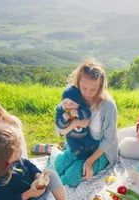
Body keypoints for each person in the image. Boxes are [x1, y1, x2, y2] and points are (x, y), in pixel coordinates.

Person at [34, 59, 118, 187]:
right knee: (58, 166)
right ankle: (53, 149)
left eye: (93, 89)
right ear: (78, 82)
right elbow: (59, 130)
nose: (88, 94)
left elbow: (109, 139)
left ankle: (53, 151)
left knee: (71, 176)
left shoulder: (107, 105)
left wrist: (89, 162)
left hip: (100, 151)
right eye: (84, 88)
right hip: (78, 146)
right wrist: (74, 124)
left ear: (101, 87)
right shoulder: (72, 98)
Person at [54, 85, 99, 160]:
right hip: (72, 137)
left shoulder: (81, 108)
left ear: (78, 104)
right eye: (65, 103)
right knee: (75, 149)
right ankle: (80, 156)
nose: (68, 106)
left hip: (85, 135)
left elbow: (88, 113)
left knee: (90, 145)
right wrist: (63, 119)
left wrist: (79, 113)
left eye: (72, 104)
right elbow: (59, 125)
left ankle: (90, 152)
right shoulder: (61, 111)